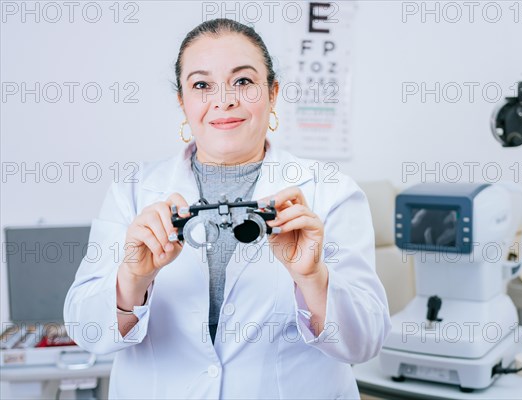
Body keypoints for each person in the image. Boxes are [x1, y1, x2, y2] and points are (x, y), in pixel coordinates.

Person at [64, 18, 391, 399]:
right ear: (182, 102)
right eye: (202, 85)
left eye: (243, 81)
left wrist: (313, 278)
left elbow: (364, 343)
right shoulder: (133, 192)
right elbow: (86, 331)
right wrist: (132, 280)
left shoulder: (331, 192)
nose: (224, 99)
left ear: (273, 93)